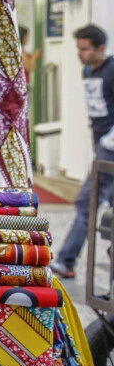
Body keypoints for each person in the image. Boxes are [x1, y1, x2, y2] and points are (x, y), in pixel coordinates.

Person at [52, 24, 114, 279]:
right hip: (101, 147)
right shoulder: (88, 70)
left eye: (85, 49)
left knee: (86, 201)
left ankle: (66, 259)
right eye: (78, 49)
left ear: (101, 48)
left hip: (109, 150)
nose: (81, 54)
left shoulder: (112, 70)